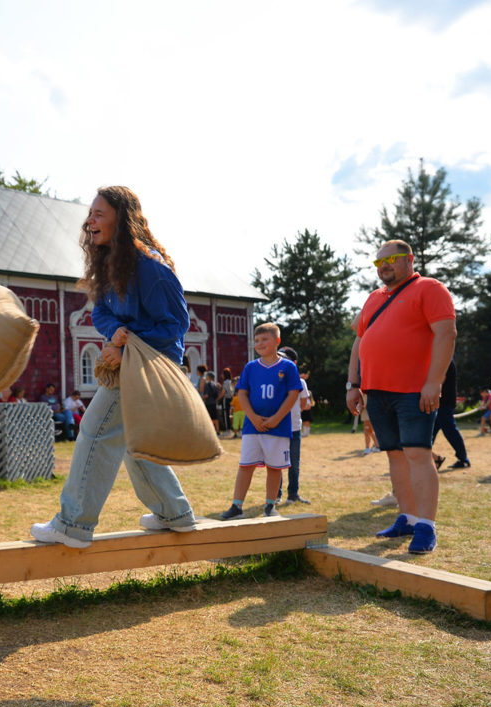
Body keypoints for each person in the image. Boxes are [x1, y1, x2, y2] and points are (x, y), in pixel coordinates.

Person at [30, 185, 196, 548]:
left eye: (98, 214)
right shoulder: (109, 264)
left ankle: (73, 524)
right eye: (89, 214)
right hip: (130, 361)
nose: (90, 220)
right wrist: (115, 331)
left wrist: (130, 344)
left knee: (94, 430)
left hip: (149, 366)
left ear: (122, 219)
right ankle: (176, 513)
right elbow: (102, 312)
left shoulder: (150, 267)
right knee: (135, 443)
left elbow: (176, 325)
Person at [346, 239, 456, 554]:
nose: (384, 265)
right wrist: (353, 383)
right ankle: (407, 518)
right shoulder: (373, 299)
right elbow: (359, 342)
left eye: (392, 259)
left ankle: (426, 526)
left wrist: (434, 382)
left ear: (409, 259)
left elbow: (446, 333)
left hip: (414, 390)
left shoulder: (430, 288)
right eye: (379, 262)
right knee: (394, 454)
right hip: (376, 391)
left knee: (418, 453)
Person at [220, 325, 300, 520]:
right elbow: (242, 394)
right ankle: (237, 506)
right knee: (245, 465)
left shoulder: (288, 367)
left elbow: (293, 394)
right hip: (252, 427)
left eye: (265, 339)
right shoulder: (251, 367)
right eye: (256, 341)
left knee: (275, 467)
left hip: (278, 427)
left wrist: (276, 418)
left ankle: (270, 505)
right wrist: (254, 417)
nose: (260, 344)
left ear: (277, 341)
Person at [275, 346, 310, 505]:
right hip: (277, 428)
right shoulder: (275, 379)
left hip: (294, 429)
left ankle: (293, 494)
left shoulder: (300, 382)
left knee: (293, 464)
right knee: (276, 463)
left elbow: (303, 404)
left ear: (294, 363)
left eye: (285, 359)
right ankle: (276, 495)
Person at [431, 360, 470, 469]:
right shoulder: (441, 359)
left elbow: (440, 381)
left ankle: (463, 459)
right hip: (439, 402)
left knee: (450, 431)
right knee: (429, 433)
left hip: (444, 402)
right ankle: (432, 459)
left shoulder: (444, 360)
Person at [219, 367, 236, 438]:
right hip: (231, 399)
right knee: (228, 414)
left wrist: (218, 399)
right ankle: (229, 429)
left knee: (225, 414)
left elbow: (223, 392)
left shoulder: (225, 382)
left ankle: (227, 430)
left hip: (225, 399)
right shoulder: (231, 381)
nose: (221, 375)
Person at [299, 369, 314, 437]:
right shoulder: (302, 381)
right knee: (305, 421)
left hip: (306, 410)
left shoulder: (307, 397)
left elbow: (309, 405)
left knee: (306, 421)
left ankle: (306, 433)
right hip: (305, 410)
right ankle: (305, 432)